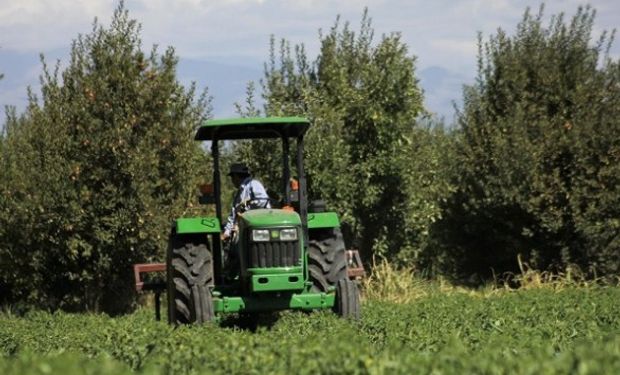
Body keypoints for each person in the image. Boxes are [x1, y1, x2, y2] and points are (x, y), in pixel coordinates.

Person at [221, 163, 271, 241]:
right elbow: (234, 214)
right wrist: (227, 233)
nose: (232, 181)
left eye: (232, 178)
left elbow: (262, 201)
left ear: (236, 177)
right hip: (243, 230)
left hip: (258, 228)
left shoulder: (253, 184)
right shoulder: (239, 193)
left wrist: (245, 208)